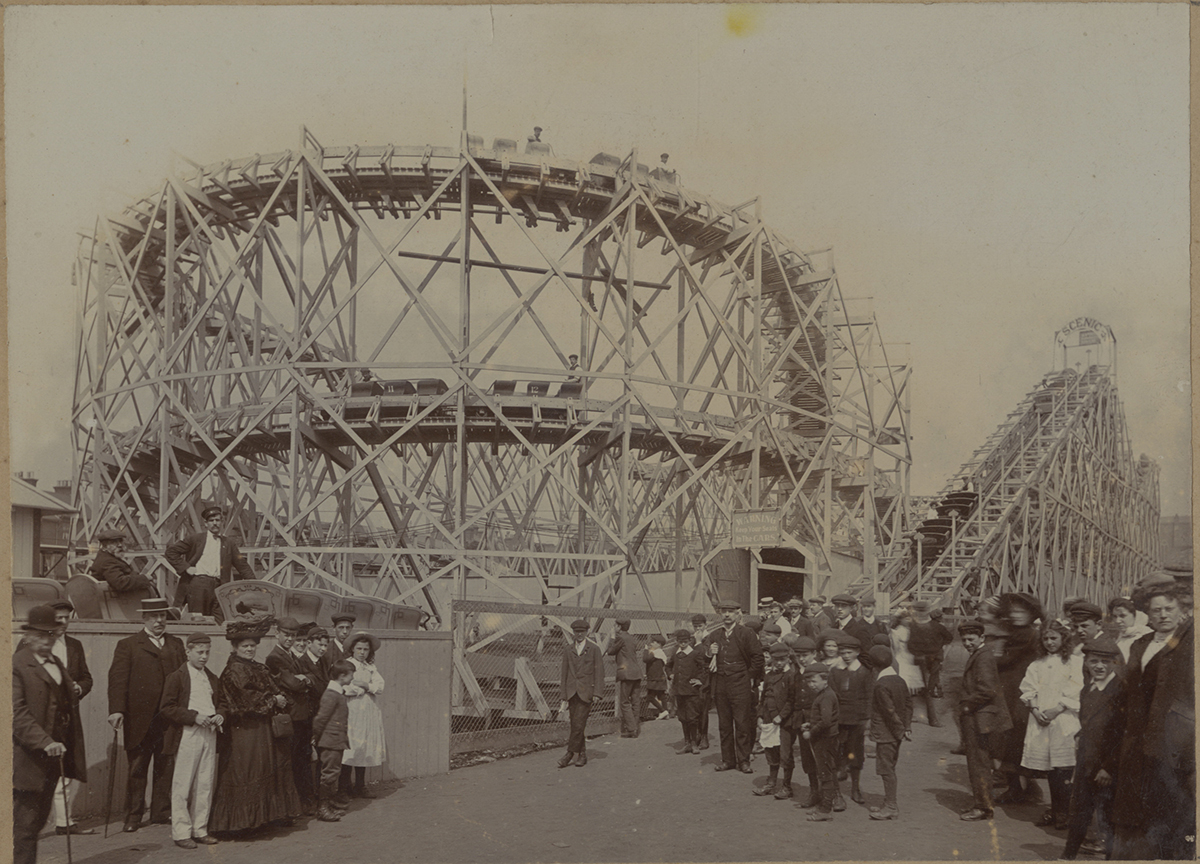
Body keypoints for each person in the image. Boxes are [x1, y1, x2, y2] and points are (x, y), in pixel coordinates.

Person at [1111, 580, 1195, 860]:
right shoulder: (1141, 644)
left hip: (1178, 739)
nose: (1163, 614)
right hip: (1139, 738)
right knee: (1140, 806)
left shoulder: (1190, 640)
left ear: (1182, 609)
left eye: (1169, 608)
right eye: (1155, 609)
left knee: (1177, 808)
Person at [209, 616, 302, 834]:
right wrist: (273, 700)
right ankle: (240, 823)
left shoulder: (256, 667)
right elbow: (247, 701)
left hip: (261, 728)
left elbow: (275, 687)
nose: (250, 649)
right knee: (247, 771)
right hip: (245, 731)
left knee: (264, 769)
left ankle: (262, 818)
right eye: (245, 646)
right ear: (235, 647)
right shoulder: (234, 670)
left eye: (252, 646)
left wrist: (277, 696)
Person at [13, 606, 88, 864]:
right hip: (26, 759)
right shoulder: (18, 664)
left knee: (36, 824)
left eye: (51, 634)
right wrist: (45, 741)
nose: (48, 640)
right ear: (30, 636)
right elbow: (17, 714)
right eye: (42, 635)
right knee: (24, 827)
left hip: (53, 758)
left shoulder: (55, 663)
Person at [107, 596, 187, 832]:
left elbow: (185, 678)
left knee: (165, 765)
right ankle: (133, 816)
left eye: (162, 616)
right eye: (153, 617)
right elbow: (117, 680)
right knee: (138, 768)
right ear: (144, 619)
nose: (159, 621)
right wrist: (116, 710)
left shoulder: (176, 644)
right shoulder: (128, 645)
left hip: (168, 718)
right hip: (139, 718)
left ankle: (161, 812)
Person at [159, 633, 225, 849]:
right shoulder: (177, 677)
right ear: (188, 651)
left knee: (205, 782)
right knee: (183, 783)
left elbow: (222, 703)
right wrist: (194, 717)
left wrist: (220, 715)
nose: (204, 657)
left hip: (210, 733)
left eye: (207, 652)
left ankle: (200, 829)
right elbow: (167, 708)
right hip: (188, 734)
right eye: (200, 652)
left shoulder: (212, 677)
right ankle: (181, 832)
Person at [1062, 637, 1125, 860]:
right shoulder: (1087, 690)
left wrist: (1108, 767)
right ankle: (1067, 856)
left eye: (1105, 662)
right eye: (1093, 661)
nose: (1099, 666)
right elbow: (1087, 723)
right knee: (1079, 811)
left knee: (1108, 817)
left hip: (1106, 768)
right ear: (1086, 662)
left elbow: (1123, 734)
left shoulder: (1121, 691)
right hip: (1086, 762)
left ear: (1114, 664)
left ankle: (1111, 859)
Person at [1018, 620, 1083, 829]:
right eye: (1045, 638)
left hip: (1064, 718)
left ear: (1064, 638)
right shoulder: (1037, 664)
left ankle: (1066, 813)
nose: (1049, 642)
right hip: (1041, 719)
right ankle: (1056, 812)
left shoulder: (1074, 662)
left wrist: (1057, 709)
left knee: (1064, 767)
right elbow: (1029, 689)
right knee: (1051, 770)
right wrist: (1035, 710)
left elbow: (1076, 689)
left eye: (1053, 638)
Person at [46, 599, 95, 836]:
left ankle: (64, 822)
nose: (64, 622)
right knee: (40, 770)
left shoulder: (74, 645)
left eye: (67, 617)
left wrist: (79, 688)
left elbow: (87, 678)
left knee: (65, 770)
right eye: (59, 618)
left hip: (67, 717)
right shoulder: (31, 644)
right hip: (42, 718)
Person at [957, 618, 1011, 821]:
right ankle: (984, 803)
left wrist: (967, 704)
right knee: (982, 762)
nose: (967, 643)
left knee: (978, 763)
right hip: (984, 717)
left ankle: (983, 807)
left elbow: (987, 690)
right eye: (964, 640)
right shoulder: (982, 654)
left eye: (970, 639)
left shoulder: (983, 657)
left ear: (981, 637)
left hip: (980, 718)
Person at [164, 505, 255, 621]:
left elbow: (242, 566)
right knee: (198, 619)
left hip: (220, 587)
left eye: (217, 520)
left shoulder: (229, 543)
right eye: (211, 521)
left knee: (220, 620)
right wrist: (186, 567)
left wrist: (255, 586)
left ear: (222, 522)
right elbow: (171, 552)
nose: (215, 523)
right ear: (206, 524)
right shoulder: (196, 539)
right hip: (198, 585)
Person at [992, 592, 1043, 802]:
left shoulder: (1026, 634)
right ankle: (1026, 788)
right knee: (1014, 738)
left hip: (1017, 690)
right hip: (1014, 688)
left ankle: (1017, 789)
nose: (1017, 615)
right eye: (1014, 611)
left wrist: (985, 657)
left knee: (1011, 737)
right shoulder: (1018, 632)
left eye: (1022, 612)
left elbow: (1005, 660)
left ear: (1031, 614)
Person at [704, 602, 764, 774]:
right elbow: (705, 661)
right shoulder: (715, 634)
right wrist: (710, 652)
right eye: (724, 612)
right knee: (724, 724)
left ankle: (743, 760)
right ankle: (728, 760)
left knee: (742, 723)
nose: (727, 615)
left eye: (731, 612)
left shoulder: (746, 633)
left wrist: (749, 677)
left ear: (738, 614)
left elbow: (758, 658)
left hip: (740, 683)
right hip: (721, 684)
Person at [266, 617, 318, 812]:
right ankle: (295, 804)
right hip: (291, 717)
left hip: (301, 715)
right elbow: (293, 684)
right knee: (292, 761)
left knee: (302, 759)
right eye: (286, 635)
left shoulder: (292, 656)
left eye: (293, 636)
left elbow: (312, 678)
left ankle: (304, 802)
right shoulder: (274, 658)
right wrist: (303, 680)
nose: (289, 639)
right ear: (277, 634)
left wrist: (304, 679)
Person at [867, 645, 911, 820]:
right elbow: (908, 704)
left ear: (874, 666)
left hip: (887, 733)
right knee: (890, 767)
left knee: (886, 769)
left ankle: (891, 806)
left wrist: (900, 731)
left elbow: (889, 711)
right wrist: (907, 727)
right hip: (896, 733)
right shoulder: (899, 680)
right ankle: (888, 802)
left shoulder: (880, 685)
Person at [342, 632, 387, 799]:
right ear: (352, 649)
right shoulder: (347, 665)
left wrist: (366, 685)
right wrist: (363, 688)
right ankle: (344, 787)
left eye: (366, 649)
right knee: (351, 747)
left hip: (368, 711)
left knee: (364, 747)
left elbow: (380, 686)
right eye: (359, 648)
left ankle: (360, 785)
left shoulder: (370, 667)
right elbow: (345, 687)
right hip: (352, 711)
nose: (362, 652)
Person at [312, 659, 357, 823]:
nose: (352, 678)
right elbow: (320, 719)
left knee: (333, 772)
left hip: (335, 741)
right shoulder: (331, 694)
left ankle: (329, 804)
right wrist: (315, 739)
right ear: (342, 676)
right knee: (329, 774)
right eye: (351, 675)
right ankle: (323, 809)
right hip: (330, 741)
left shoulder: (337, 693)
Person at [558, 619, 606, 768]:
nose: (579, 634)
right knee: (576, 724)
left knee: (578, 724)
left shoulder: (594, 649)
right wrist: (563, 695)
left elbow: (599, 672)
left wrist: (598, 693)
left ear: (587, 632)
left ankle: (569, 754)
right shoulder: (568, 649)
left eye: (582, 632)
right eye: (577, 632)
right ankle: (583, 754)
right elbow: (564, 673)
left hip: (587, 692)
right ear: (573, 632)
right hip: (572, 692)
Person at [753, 642, 797, 798]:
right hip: (768, 719)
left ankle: (787, 786)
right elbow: (763, 697)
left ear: (788, 659)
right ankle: (771, 783)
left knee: (785, 754)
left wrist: (782, 715)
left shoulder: (791, 675)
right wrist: (760, 716)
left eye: (782, 659)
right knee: (770, 752)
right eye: (776, 659)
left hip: (785, 722)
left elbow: (792, 700)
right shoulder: (769, 675)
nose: (779, 662)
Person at [832, 634, 871, 805]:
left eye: (849, 652)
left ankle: (855, 787)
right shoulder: (835, 671)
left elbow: (869, 696)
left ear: (857, 652)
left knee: (855, 753)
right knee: (837, 752)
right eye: (843, 653)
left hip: (857, 719)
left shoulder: (864, 671)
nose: (846, 656)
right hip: (839, 719)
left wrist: (867, 718)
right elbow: (832, 694)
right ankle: (836, 791)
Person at [800, 662, 840, 821]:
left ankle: (825, 810)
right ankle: (824, 805)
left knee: (825, 774)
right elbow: (821, 718)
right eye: (808, 682)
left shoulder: (827, 696)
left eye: (814, 681)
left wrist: (811, 732)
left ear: (825, 680)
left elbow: (826, 722)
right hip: (824, 738)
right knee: (823, 771)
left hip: (825, 739)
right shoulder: (823, 694)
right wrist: (810, 724)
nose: (811, 685)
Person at [906, 600, 948, 727]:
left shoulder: (929, 626)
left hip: (921, 660)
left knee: (925, 690)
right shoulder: (912, 625)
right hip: (912, 660)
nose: (920, 614)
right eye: (919, 611)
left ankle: (931, 719)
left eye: (922, 611)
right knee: (911, 691)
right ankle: (913, 719)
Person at [667, 628, 708, 754]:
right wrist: (670, 675)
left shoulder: (695, 654)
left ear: (690, 641)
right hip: (679, 691)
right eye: (680, 642)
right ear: (677, 641)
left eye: (685, 642)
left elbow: (704, 668)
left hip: (691, 691)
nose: (683, 644)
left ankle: (695, 743)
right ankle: (687, 743)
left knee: (692, 717)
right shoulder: (676, 654)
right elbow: (668, 666)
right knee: (683, 717)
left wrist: (700, 680)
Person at [89, 529, 159, 596]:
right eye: (114, 542)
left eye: (120, 541)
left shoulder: (109, 557)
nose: (120, 545)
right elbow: (120, 583)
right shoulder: (107, 561)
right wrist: (144, 578)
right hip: (116, 602)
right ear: (104, 546)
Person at [690, 613, 712, 749]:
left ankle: (704, 736)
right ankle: (696, 735)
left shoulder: (708, 638)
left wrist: (698, 643)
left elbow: (704, 656)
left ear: (705, 625)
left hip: (705, 676)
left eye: (700, 626)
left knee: (703, 708)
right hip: (693, 675)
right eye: (695, 626)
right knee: (693, 708)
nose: (697, 629)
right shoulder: (692, 639)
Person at [1107, 597, 1150, 663]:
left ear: (1135, 615)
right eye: (1115, 616)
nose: (1117, 621)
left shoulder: (1146, 636)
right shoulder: (1121, 636)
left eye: (1122, 616)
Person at [642, 635, 669, 720]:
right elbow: (654, 666)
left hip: (655, 679)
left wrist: (646, 649)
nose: (652, 643)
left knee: (650, 697)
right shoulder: (659, 653)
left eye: (654, 642)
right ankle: (666, 713)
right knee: (662, 696)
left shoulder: (657, 652)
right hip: (659, 678)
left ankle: (663, 711)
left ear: (659, 644)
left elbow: (645, 659)